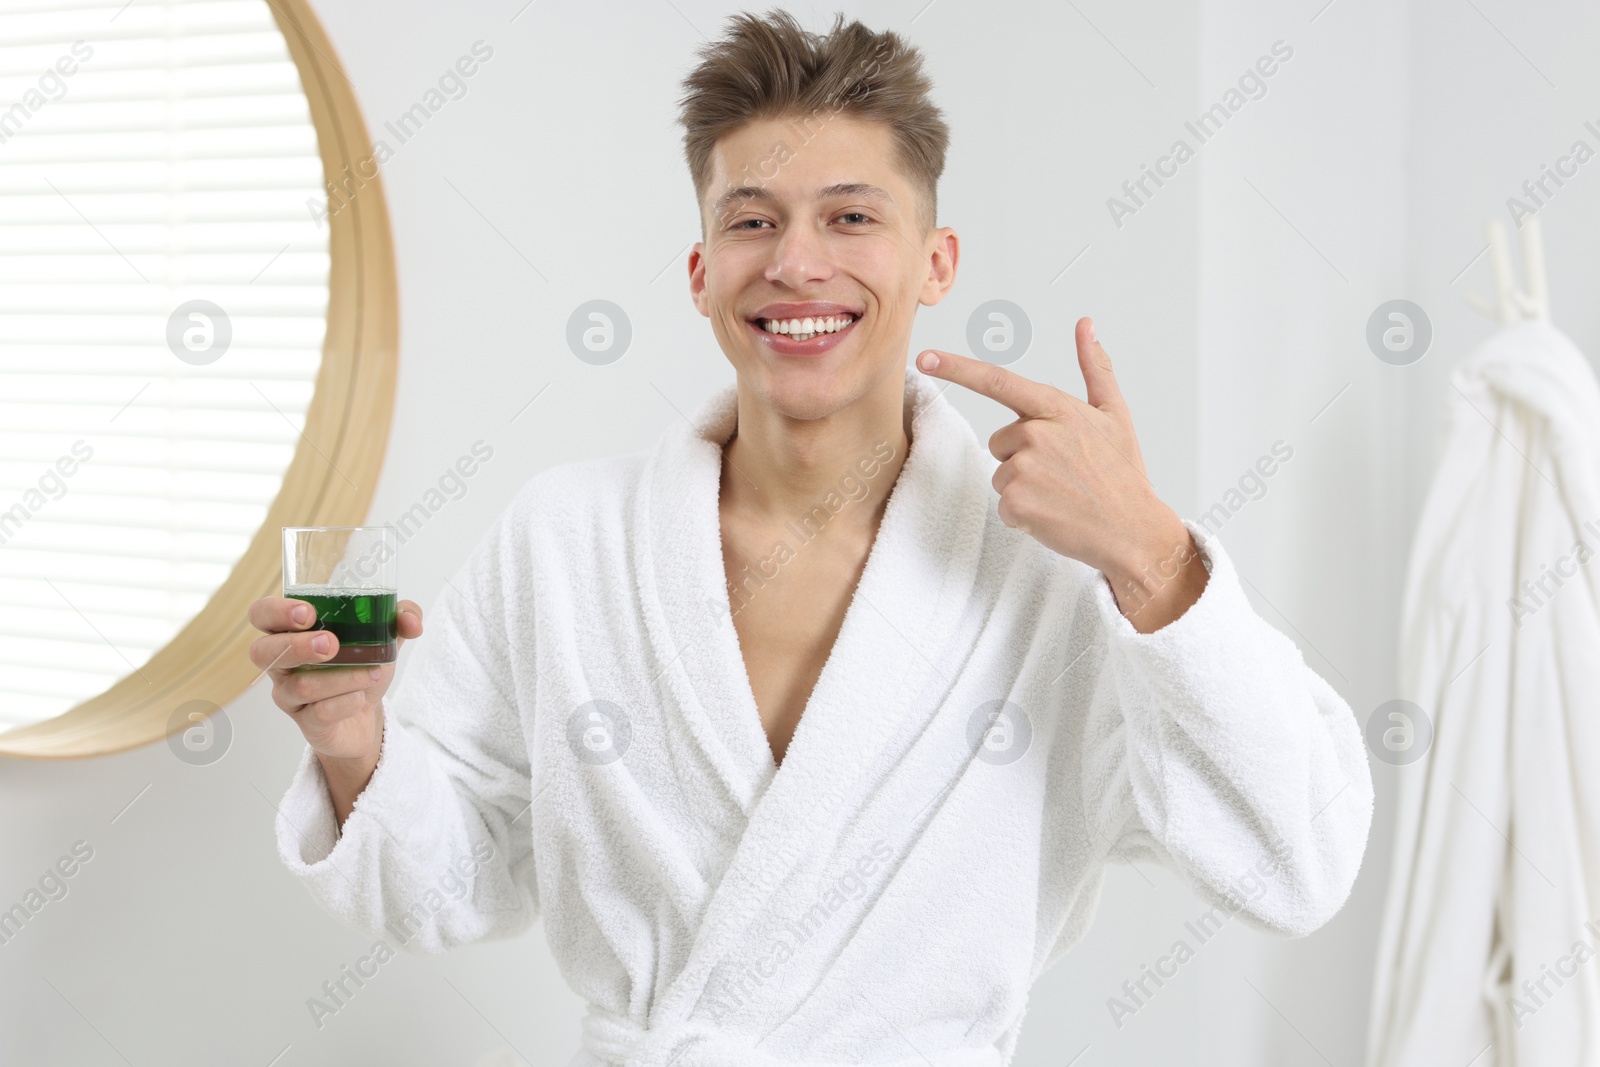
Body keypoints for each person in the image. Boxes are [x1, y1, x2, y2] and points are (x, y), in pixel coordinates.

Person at [249, 10, 1373, 1065]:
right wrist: (353, 739)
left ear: (934, 263)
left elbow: (1296, 864)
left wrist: (1151, 553)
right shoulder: (566, 540)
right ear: (701, 275)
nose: (794, 263)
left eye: (850, 215)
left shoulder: (1066, 562)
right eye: (750, 220)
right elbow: (452, 882)